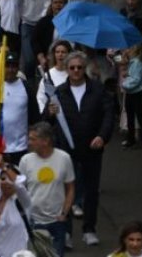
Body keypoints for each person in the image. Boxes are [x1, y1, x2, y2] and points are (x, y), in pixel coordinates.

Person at [45, 51, 114, 246]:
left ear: (85, 69)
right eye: (72, 67)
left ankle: (89, 229)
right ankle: (66, 232)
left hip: (92, 149)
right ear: (67, 69)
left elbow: (108, 115)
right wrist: (49, 113)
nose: (76, 71)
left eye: (80, 67)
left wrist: (102, 136)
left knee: (91, 191)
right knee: (66, 191)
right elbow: (45, 120)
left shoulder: (98, 90)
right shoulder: (58, 92)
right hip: (66, 151)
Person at [19, 122, 75, 256]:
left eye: (33, 139)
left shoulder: (64, 158)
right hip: (34, 222)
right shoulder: (25, 160)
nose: (29, 142)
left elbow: (70, 187)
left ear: (45, 141)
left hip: (57, 221)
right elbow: (20, 190)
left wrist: (64, 213)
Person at [119, 44, 142, 150]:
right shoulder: (133, 62)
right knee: (130, 116)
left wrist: (124, 84)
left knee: (139, 116)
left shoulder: (137, 63)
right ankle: (131, 139)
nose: (128, 50)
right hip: (131, 93)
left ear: (135, 51)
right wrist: (126, 74)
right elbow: (132, 76)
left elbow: (136, 80)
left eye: (130, 48)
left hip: (137, 93)